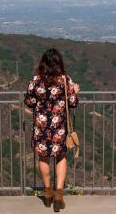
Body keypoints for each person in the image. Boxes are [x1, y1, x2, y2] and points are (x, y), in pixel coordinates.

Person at [24, 48, 79, 212]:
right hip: (59, 129)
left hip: (41, 128)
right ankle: (59, 196)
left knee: (43, 158)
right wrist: (74, 91)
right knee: (61, 157)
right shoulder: (64, 80)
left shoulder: (35, 80)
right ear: (59, 63)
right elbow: (73, 102)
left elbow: (29, 102)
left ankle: (47, 194)